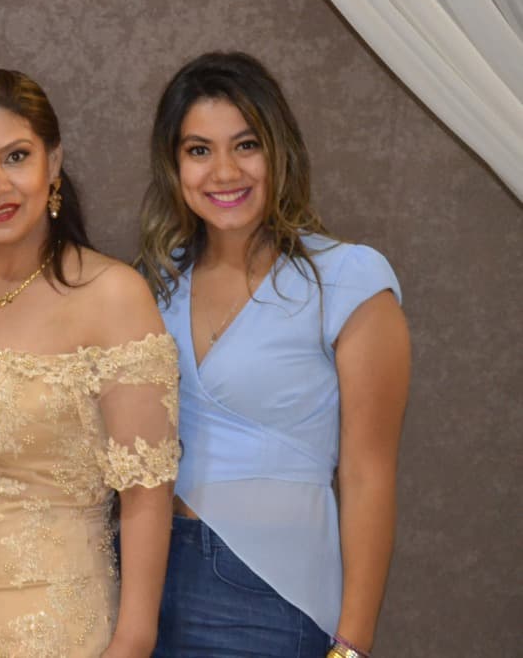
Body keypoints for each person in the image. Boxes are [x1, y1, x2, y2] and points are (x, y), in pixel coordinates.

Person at [137, 51, 411, 658]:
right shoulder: (154, 284)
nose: (224, 171)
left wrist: (353, 647)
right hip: (146, 584)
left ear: (279, 151)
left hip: (270, 595)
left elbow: (368, 474)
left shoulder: (348, 278)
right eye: (199, 150)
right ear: (174, 165)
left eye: (246, 145)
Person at [0, 68, 178, 657]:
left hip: (56, 632)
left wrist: (132, 642)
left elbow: (147, 496)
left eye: (16, 157)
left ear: (54, 161)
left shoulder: (112, 296)